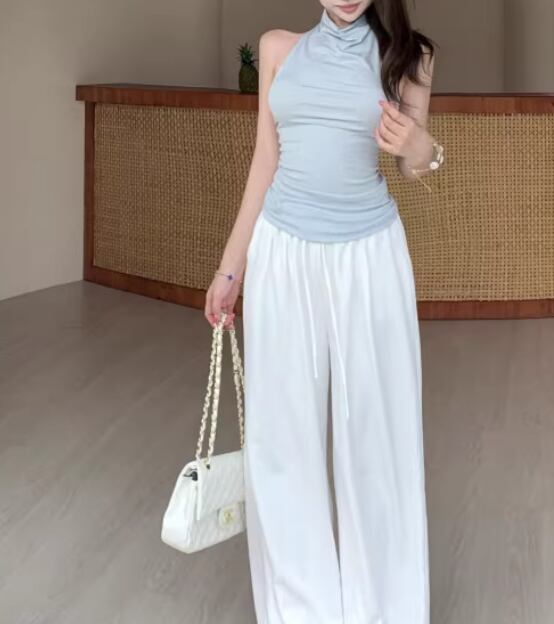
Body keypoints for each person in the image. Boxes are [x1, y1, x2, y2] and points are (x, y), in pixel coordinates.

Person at [205, 1, 440, 621]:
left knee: (378, 444)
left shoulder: (409, 56)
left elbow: (412, 167)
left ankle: (385, 611)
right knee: (282, 445)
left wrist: (423, 146)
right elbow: (265, 163)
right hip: (282, 255)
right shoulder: (278, 49)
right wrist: (231, 268)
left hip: (370, 261)